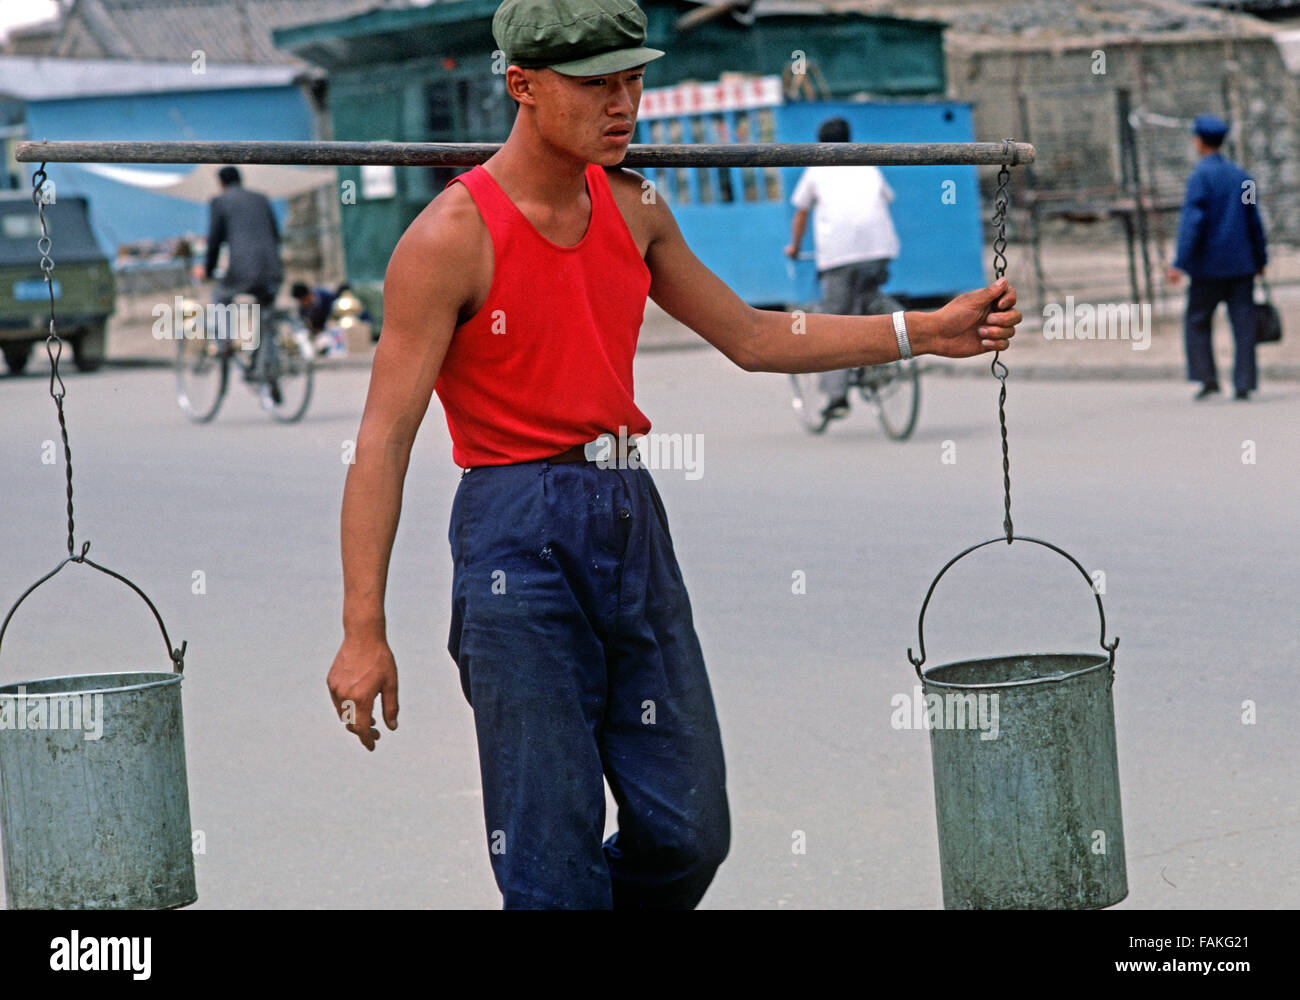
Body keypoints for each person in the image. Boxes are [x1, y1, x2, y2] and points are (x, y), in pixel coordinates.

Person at [325, 0, 1020, 910]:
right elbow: (382, 439)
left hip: (627, 517)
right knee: (548, 857)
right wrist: (362, 629)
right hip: (513, 537)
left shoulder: (636, 206)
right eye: (596, 85)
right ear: (523, 86)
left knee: (689, 832)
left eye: (633, 80)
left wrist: (920, 329)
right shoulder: (449, 238)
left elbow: (753, 336)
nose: (624, 105)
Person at [785, 116, 902, 420]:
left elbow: (800, 213)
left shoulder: (817, 170)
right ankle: (881, 361)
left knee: (833, 322)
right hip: (880, 252)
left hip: (839, 257)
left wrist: (794, 247)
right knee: (869, 301)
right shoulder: (866, 164)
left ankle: (837, 397)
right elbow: (884, 200)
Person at [1167, 114, 1268, 401]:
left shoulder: (1199, 177)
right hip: (1241, 266)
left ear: (1199, 141)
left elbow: (1192, 223)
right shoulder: (1242, 177)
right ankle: (1244, 383)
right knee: (1243, 325)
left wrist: (1180, 263)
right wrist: (1260, 259)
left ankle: (1206, 378)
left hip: (1207, 269)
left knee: (1198, 320)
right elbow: (1254, 222)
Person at [205, 165, 284, 397]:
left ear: (221, 183)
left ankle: (224, 345)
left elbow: (215, 241)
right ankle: (268, 366)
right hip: (272, 268)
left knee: (220, 296)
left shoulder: (219, 202)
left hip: (243, 270)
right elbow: (275, 234)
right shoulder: (261, 199)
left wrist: (209, 269)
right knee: (265, 314)